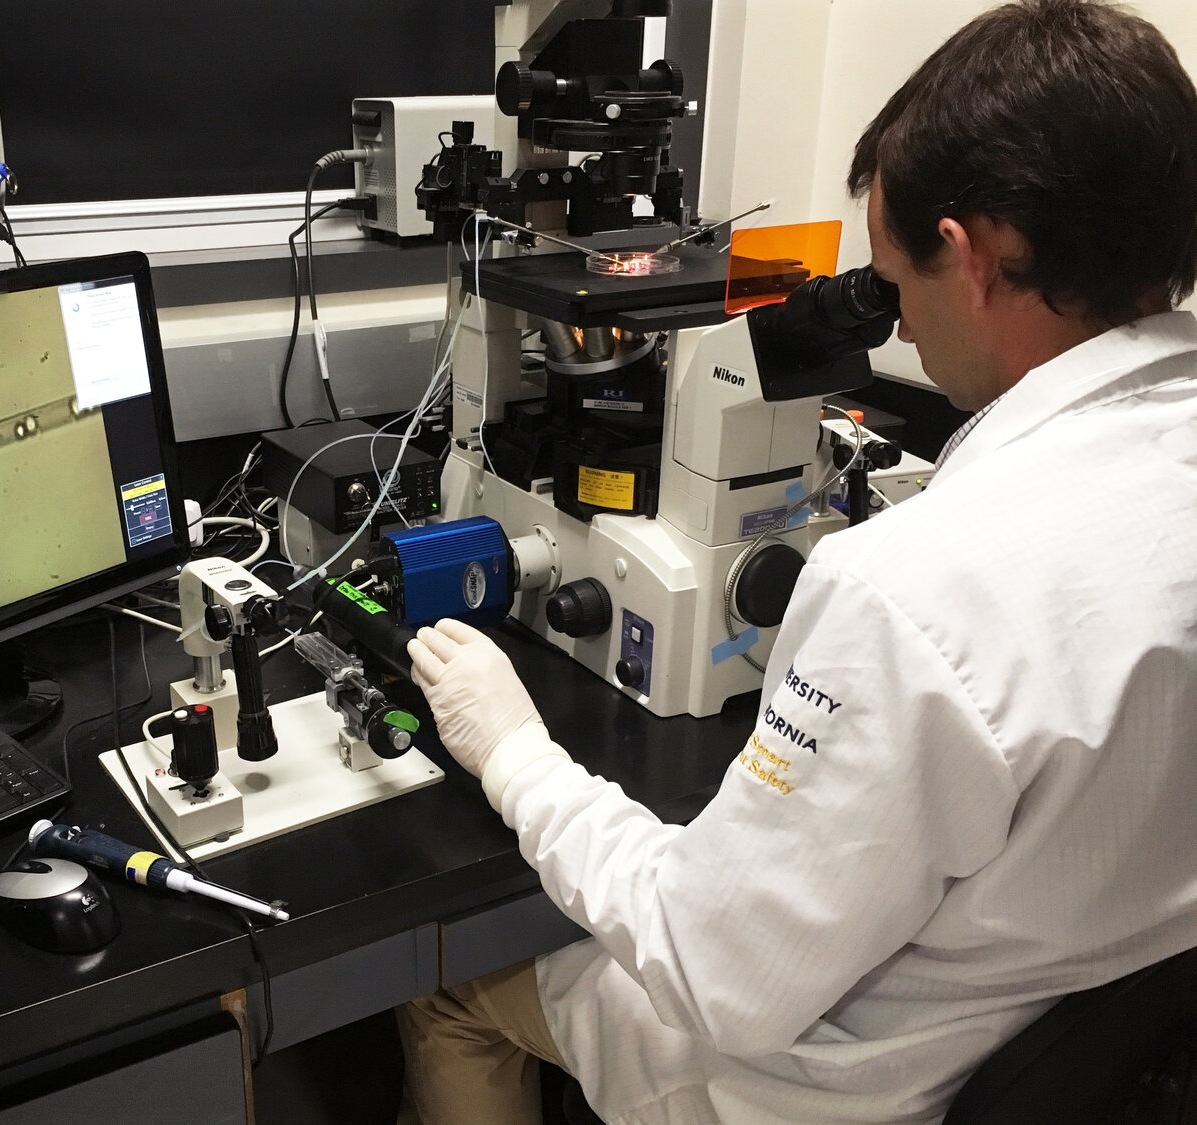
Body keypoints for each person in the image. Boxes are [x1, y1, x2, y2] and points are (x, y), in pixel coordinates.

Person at [394, 2, 1197, 1123]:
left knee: (445, 993)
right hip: (1076, 1055)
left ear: (967, 257)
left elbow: (706, 964)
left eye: (895, 283)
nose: (899, 333)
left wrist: (517, 753)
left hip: (836, 1084)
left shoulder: (913, 590)